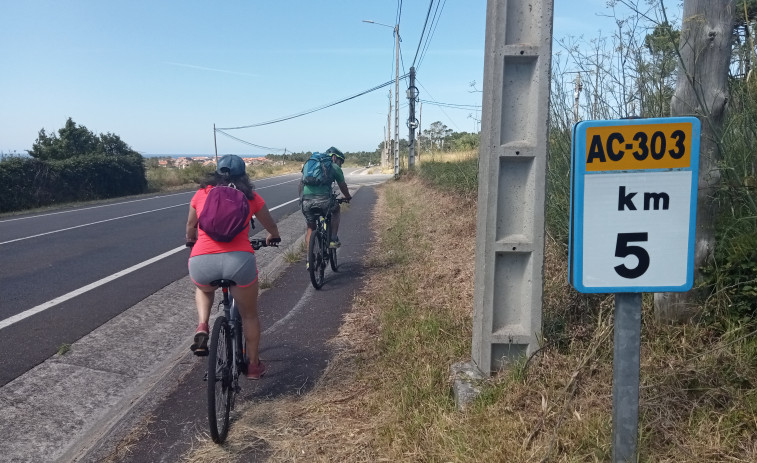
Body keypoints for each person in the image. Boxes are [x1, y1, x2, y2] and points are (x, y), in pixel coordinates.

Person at [185, 154, 280, 380]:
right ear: (243, 174)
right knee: (249, 316)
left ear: (217, 172)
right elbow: (270, 225)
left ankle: (202, 326)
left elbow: (190, 226)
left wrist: (191, 241)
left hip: (202, 260)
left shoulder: (202, 194)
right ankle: (254, 367)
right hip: (239, 261)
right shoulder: (250, 196)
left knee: (204, 288)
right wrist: (273, 236)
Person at [300, 146, 352, 259]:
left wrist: (302, 199)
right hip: (324, 201)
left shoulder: (309, 165)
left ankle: (309, 259)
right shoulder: (334, 167)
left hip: (306, 201)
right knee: (336, 210)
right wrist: (347, 197)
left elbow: (301, 185)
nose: (340, 165)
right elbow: (342, 186)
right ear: (334, 157)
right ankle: (333, 238)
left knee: (310, 228)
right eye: (340, 161)